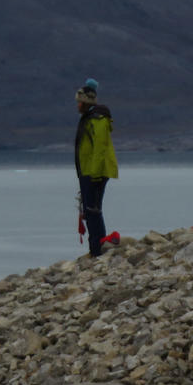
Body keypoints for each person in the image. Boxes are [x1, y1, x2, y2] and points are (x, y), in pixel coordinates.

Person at [74, 78, 119, 257]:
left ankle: (97, 249)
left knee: (92, 210)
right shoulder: (89, 118)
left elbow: (100, 148)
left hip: (94, 172)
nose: (77, 105)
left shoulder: (97, 119)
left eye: (79, 102)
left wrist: (94, 174)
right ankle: (96, 247)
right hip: (88, 171)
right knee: (90, 210)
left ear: (86, 102)